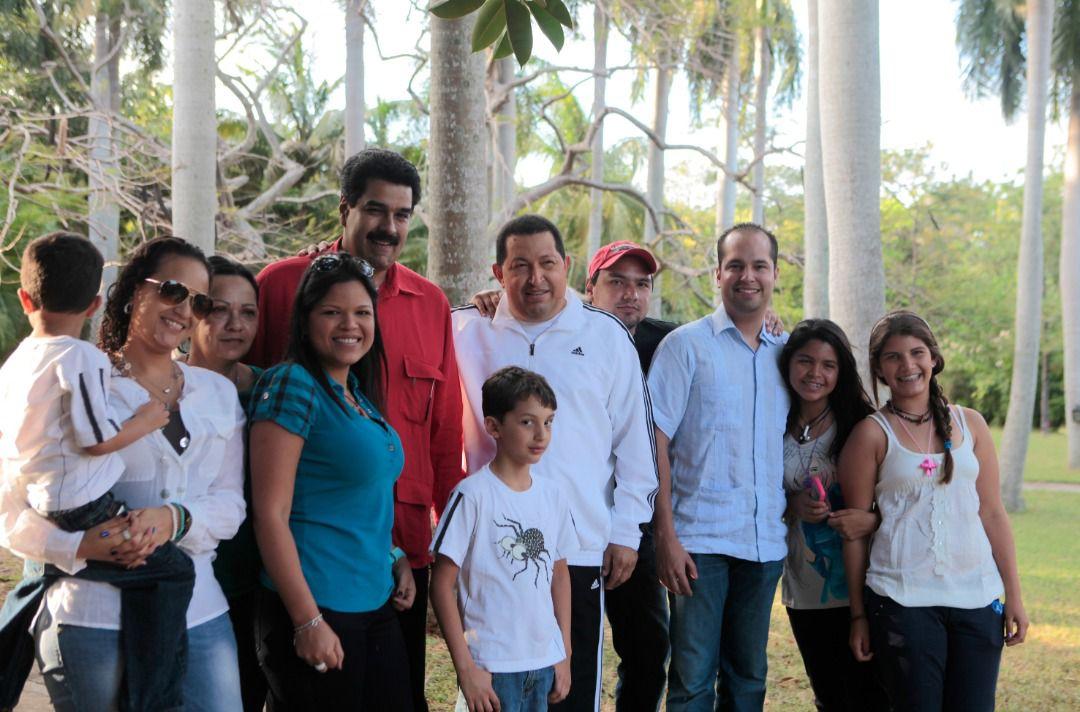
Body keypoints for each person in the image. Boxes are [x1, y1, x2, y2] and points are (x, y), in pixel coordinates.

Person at [250, 148, 463, 710]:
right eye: (374, 209)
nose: (388, 227)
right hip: (304, 570)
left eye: (401, 214)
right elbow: (232, 381)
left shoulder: (430, 303)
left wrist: (441, 548)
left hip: (396, 555)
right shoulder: (279, 285)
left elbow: (442, 437)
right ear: (344, 208)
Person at [1, 236, 247, 710]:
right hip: (92, 617)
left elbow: (231, 504)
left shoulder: (216, 393)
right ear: (135, 289)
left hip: (200, 613)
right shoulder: (72, 376)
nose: (183, 310)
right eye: (172, 290)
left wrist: (173, 519)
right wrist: (75, 546)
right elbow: (9, 503)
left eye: (198, 302)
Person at [453, 214, 658, 712]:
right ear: (497, 273)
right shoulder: (465, 330)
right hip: (491, 553)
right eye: (519, 266)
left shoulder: (606, 334)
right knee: (495, 692)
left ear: (567, 266)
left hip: (579, 547)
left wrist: (626, 531)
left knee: (568, 687)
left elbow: (636, 441)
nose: (535, 278)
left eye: (547, 263)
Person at [249, 252, 415, 709]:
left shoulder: (355, 393)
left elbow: (353, 495)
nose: (350, 324)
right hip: (317, 607)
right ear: (304, 321)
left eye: (362, 312)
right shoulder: (293, 384)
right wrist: (306, 621)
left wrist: (393, 555)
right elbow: (270, 513)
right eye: (332, 312)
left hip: (372, 602)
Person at [840, 311, 1028, 712]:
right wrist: (858, 616)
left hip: (977, 599)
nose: (907, 365)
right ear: (879, 368)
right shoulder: (870, 434)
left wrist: (1013, 594)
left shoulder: (971, 424)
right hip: (901, 600)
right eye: (893, 357)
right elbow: (854, 532)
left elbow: (992, 513)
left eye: (917, 352)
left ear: (934, 359)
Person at [649, 222, 788, 712]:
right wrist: (666, 537)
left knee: (749, 679)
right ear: (717, 274)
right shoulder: (685, 347)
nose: (747, 276)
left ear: (774, 275)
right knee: (690, 681)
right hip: (699, 543)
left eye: (758, 266)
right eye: (735, 265)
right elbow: (655, 443)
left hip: (765, 543)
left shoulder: (788, 354)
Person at [430, 366, 575, 711]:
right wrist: (466, 669)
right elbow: (441, 585)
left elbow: (559, 574)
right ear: (494, 426)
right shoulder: (472, 496)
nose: (541, 434)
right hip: (491, 668)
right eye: (527, 422)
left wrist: (564, 651)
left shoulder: (554, 496)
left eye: (549, 421)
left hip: (543, 663)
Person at [777, 319, 887, 711]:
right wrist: (792, 505)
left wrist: (871, 520)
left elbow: (902, 502)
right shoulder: (773, 420)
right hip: (804, 587)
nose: (815, 374)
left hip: (864, 587)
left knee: (870, 696)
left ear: (841, 372)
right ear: (788, 363)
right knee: (828, 695)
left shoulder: (862, 426)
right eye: (805, 361)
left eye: (828, 365)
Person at [185, 255, 267, 712]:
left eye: (248, 312)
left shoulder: (271, 389)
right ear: (193, 310)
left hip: (255, 584)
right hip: (185, 581)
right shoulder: (164, 386)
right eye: (219, 309)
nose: (236, 324)